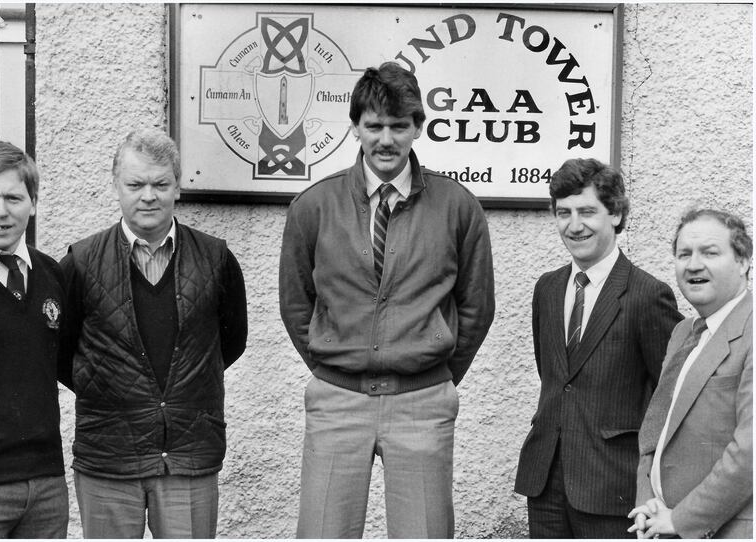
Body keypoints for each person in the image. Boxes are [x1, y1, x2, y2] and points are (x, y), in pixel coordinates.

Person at [279, 61, 495, 539]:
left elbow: (477, 307)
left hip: (422, 400)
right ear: (355, 126)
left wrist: (433, 369)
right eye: (374, 125)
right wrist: (331, 362)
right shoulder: (314, 206)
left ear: (418, 127)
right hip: (338, 399)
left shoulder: (458, 206)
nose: (386, 139)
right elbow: (296, 302)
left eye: (399, 126)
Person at [60, 128, 248, 538]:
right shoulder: (81, 261)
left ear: (177, 188)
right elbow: (63, 354)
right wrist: (120, 393)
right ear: (116, 186)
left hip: (188, 457)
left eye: (161, 184)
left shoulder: (216, 258)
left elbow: (229, 344)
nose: (149, 195)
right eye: (136, 184)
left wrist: (178, 392)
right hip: (108, 457)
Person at [514, 158, 683, 538]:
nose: (575, 225)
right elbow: (555, 376)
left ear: (616, 215)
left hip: (613, 487)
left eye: (588, 211)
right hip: (544, 483)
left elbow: (671, 398)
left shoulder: (647, 294)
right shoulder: (547, 288)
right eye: (564, 213)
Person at [0, 137, 69, 538]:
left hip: (47, 484)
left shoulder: (52, 274)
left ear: (33, 202)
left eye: (13, 197)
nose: (1, 212)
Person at [628, 209, 752, 539]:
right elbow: (654, 429)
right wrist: (647, 502)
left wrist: (681, 521)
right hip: (661, 526)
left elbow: (750, 452)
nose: (693, 264)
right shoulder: (684, 331)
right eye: (684, 254)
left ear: (743, 262)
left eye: (710, 252)